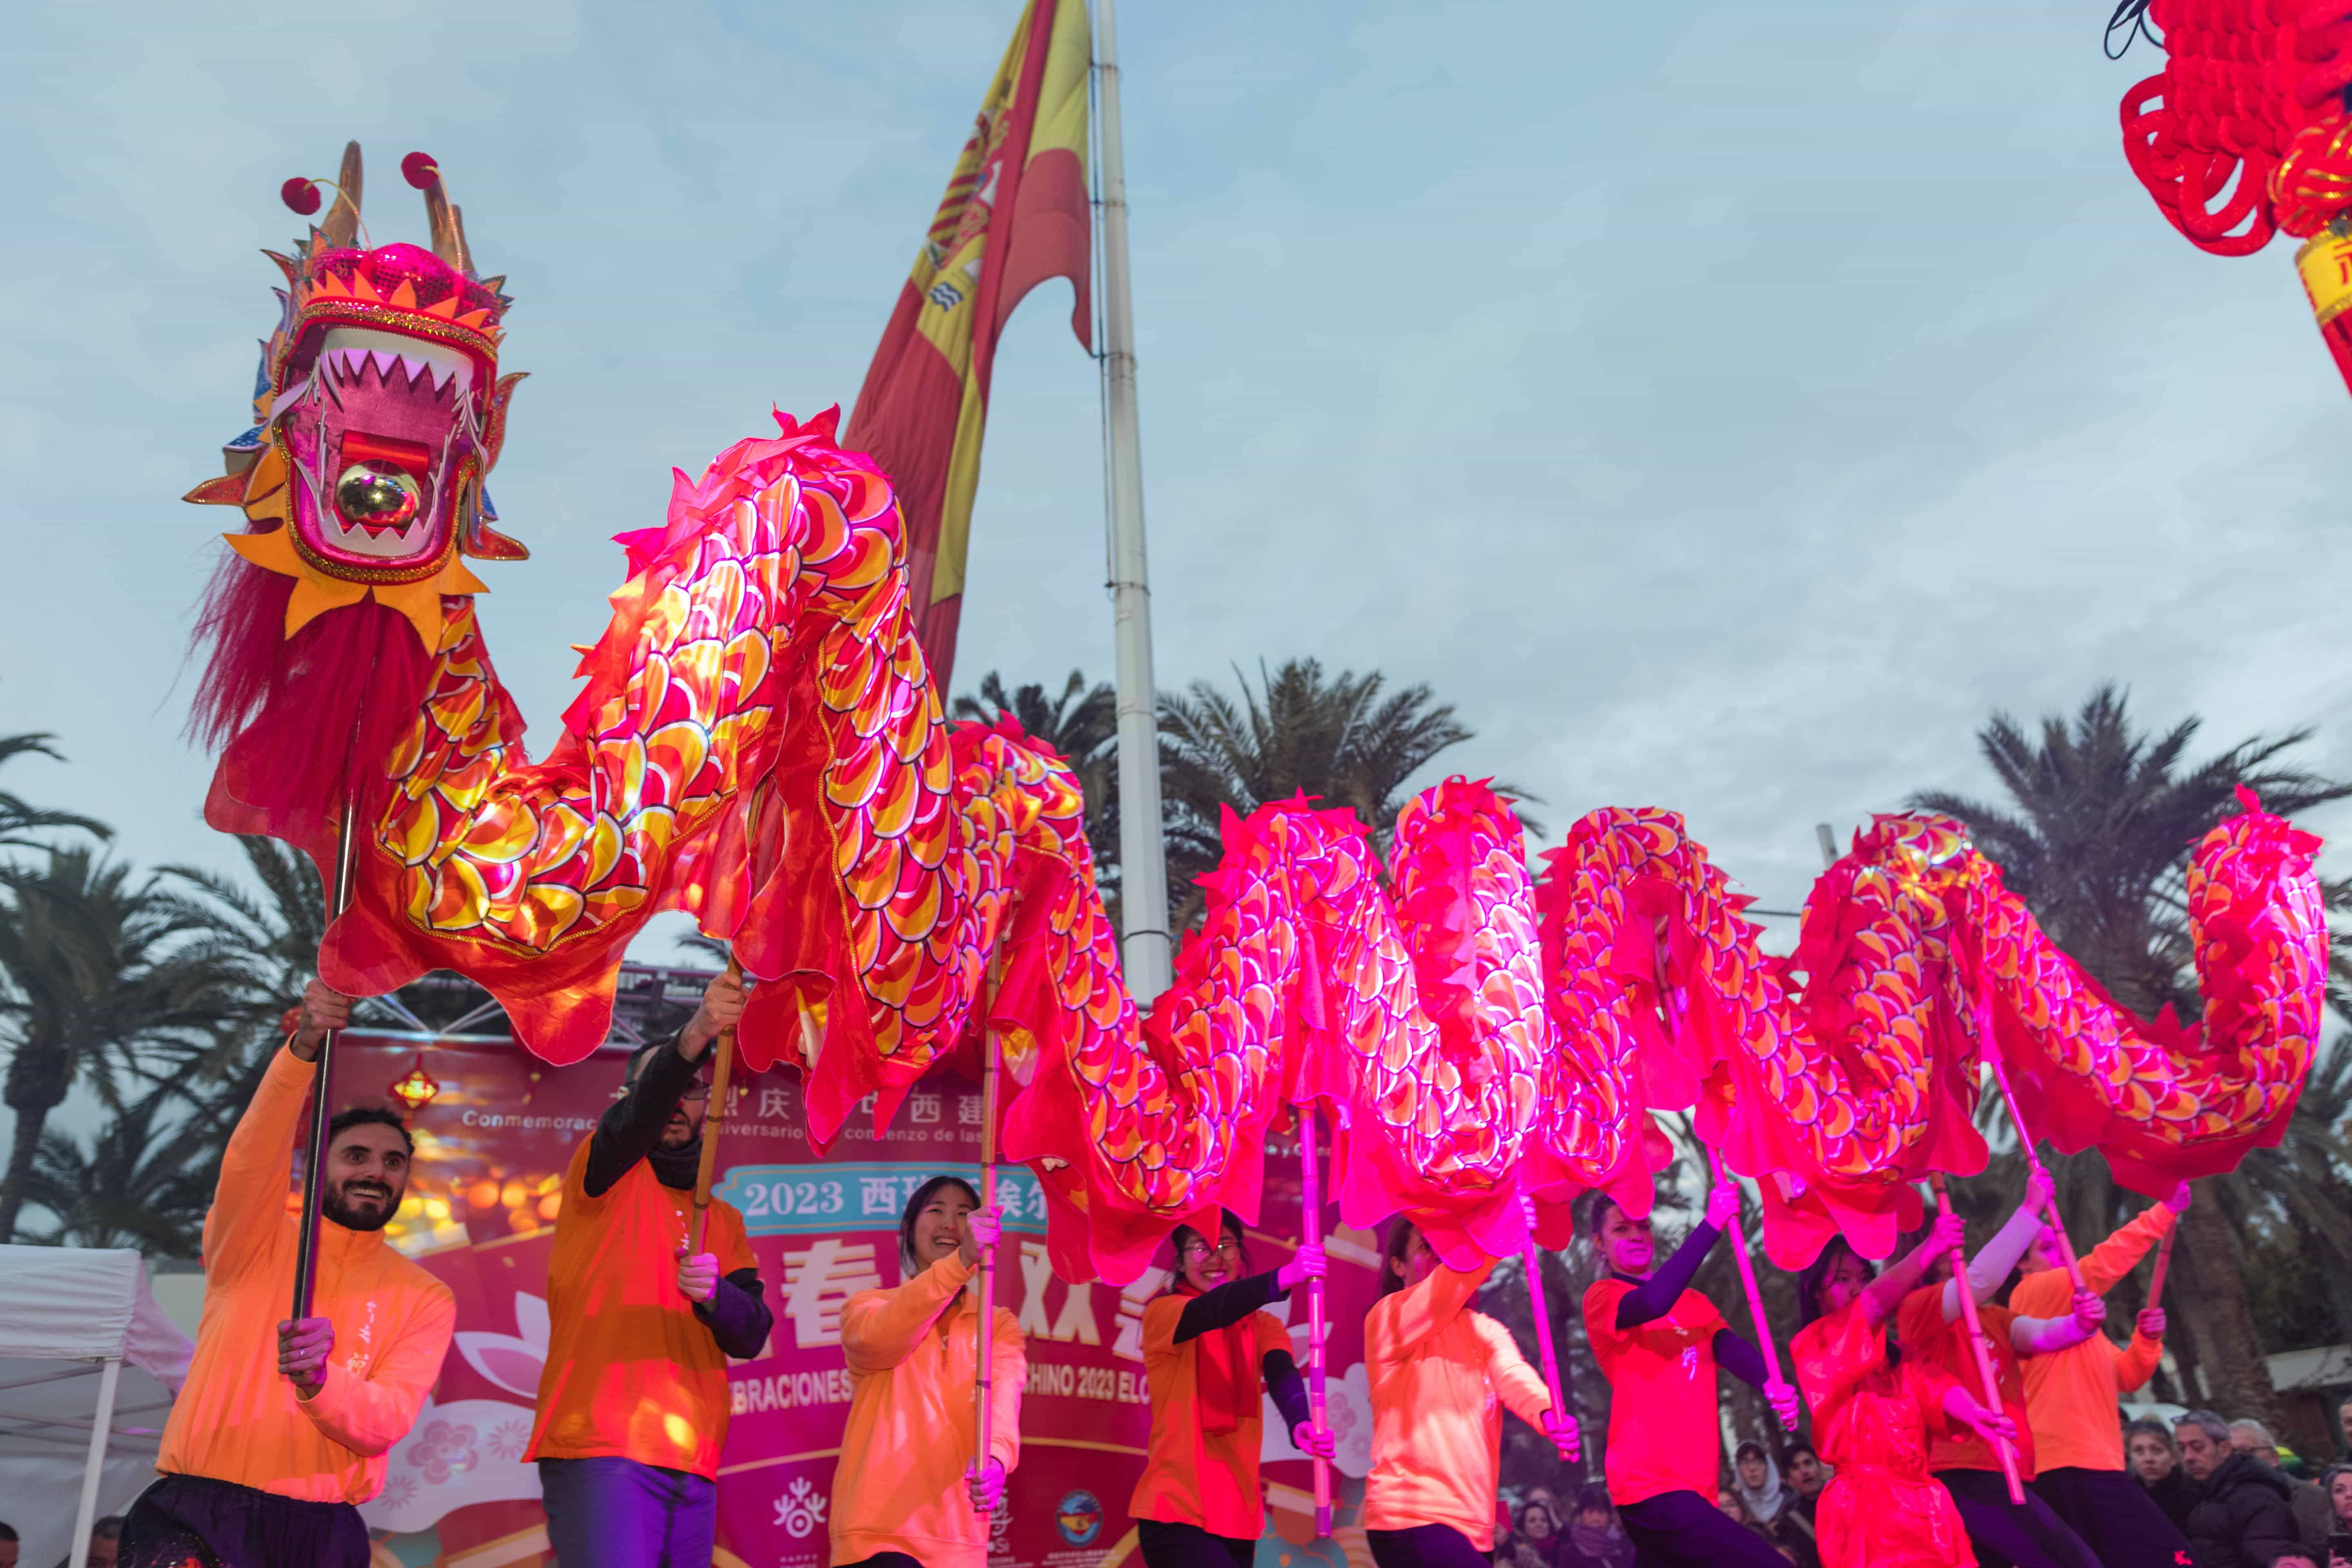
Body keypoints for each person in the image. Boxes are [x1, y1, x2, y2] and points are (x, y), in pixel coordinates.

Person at [119, 981, 455, 1568]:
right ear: (317, 1165)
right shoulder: (256, 1239)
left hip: (322, 1534)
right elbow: (251, 1156)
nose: (376, 1172)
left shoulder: (425, 1296)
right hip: (200, 1510)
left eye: (393, 1162)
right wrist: (302, 1053)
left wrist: (322, 1383)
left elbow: (387, 1421)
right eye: (357, 1156)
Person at [526, 972, 773, 1568]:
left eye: (693, 1090)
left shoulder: (725, 1219)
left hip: (693, 1462)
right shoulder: (605, 1174)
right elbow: (637, 1118)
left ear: (709, 1105)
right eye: (665, 1088)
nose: (677, 1102)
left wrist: (716, 1296)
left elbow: (752, 1333)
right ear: (631, 1100)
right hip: (602, 1449)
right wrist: (697, 1035)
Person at [1579, 1174, 1800, 1568]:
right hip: (1649, 1487)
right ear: (1600, 1243)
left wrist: (1772, 1384)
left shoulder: (1694, 1301)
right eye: (1621, 1229)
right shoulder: (1603, 1298)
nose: (1636, 1235)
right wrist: (1712, 1224)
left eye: (1643, 1226)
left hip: (1698, 1488)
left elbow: (1729, 1348)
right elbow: (1652, 1303)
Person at [1896, 1173, 2106, 1568]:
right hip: (1963, 1474)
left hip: (2013, 1470)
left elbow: (2042, 1335)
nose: (1955, 1241)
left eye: (1955, 1232)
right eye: (1939, 1237)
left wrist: (2082, 1323)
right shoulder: (1916, 1311)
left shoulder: (1992, 1317)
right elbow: (1980, 1279)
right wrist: (2029, 1211)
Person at [1790, 1209, 2016, 1568]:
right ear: (1813, 1290)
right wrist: (1928, 1249)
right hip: (1866, 1510)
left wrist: (1976, 1415)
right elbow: (1875, 1303)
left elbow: (1936, 1388)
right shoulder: (1813, 1347)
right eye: (1842, 1279)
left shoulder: (1900, 1355)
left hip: (1926, 1505)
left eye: (1863, 1277)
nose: (1856, 1288)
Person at [829, 1173, 1023, 1568]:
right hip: (876, 1536)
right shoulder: (869, 1306)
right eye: (936, 1211)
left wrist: (997, 1459)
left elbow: (1004, 1402)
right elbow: (880, 1340)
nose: (951, 1224)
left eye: (964, 1214)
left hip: (960, 1539)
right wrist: (961, 1263)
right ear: (908, 1229)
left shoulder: (998, 1325)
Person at [1361, 1218, 1577, 1568]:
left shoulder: (1485, 1329)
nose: (1442, 1255)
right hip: (1411, 1514)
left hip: (1475, 1525)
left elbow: (1513, 1374)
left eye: (1448, 1245)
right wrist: (1505, 1228)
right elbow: (1444, 1290)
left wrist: (1547, 1413)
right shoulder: (1386, 1319)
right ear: (1398, 1266)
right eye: (1427, 1247)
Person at [1130, 1211, 1333, 1568]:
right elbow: (1211, 1311)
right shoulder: (1165, 1313)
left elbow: (1281, 1371)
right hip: (1175, 1512)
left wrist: (1300, 1421)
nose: (1215, 1258)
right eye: (1200, 1248)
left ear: (1241, 1255)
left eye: (1226, 1245)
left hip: (1238, 1517)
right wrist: (1285, 1277)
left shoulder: (1262, 1325)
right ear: (1179, 1261)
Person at [2012, 1183, 2193, 1568]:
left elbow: (2126, 1377)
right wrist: (2161, 1213)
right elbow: (2099, 1267)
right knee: (2175, 1558)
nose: (2060, 1250)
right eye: (2046, 1247)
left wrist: (2148, 1339)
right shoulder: (2030, 1296)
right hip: (2065, 1464)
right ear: (2021, 1266)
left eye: (2059, 1242)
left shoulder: (2078, 1320)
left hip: (2095, 1464)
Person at [2176, 1409, 2305, 1568]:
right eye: (2182, 1449)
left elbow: (2267, 1554)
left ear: (2224, 1449)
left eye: (2197, 1447)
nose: (2188, 1457)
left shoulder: (2256, 1498)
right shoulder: (2198, 1493)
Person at [2233, 1420, 2336, 1553]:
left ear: (2274, 1458)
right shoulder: (2223, 1504)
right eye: (2231, 1455)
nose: (2237, 1461)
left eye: (2245, 1452)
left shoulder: (2315, 1497)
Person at [1733, 1440, 1817, 1568]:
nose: (1752, 1469)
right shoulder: (1735, 1511)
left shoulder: (1794, 1502)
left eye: (1758, 1461)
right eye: (1745, 1462)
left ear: (1769, 1465)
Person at [2130, 1417, 2200, 1534]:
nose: (2148, 1459)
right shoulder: (2129, 1498)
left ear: (2174, 1457)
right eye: (2139, 1451)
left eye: (2157, 1451)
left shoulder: (2193, 1498)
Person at [1555, 1485, 1634, 1568]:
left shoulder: (1624, 1547)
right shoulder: (1569, 1553)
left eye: (1601, 1512)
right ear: (1581, 1516)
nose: (1596, 1519)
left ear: (1610, 1516)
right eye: (1591, 1512)